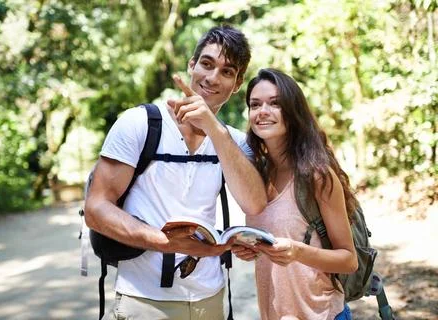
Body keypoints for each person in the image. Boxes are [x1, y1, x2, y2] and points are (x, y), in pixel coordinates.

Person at [84, 25, 267, 320]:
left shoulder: (233, 142)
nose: (212, 78)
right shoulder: (139, 123)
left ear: (237, 84)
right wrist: (163, 241)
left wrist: (213, 129)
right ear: (191, 65)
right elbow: (96, 208)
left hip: (210, 294)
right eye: (206, 64)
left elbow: (255, 204)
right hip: (144, 299)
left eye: (226, 71)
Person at [231, 68, 358, 320]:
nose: (263, 111)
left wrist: (298, 252)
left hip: (321, 314)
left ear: (292, 111)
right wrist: (252, 249)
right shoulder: (257, 174)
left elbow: (348, 260)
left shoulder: (316, 176)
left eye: (275, 104)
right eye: (255, 105)